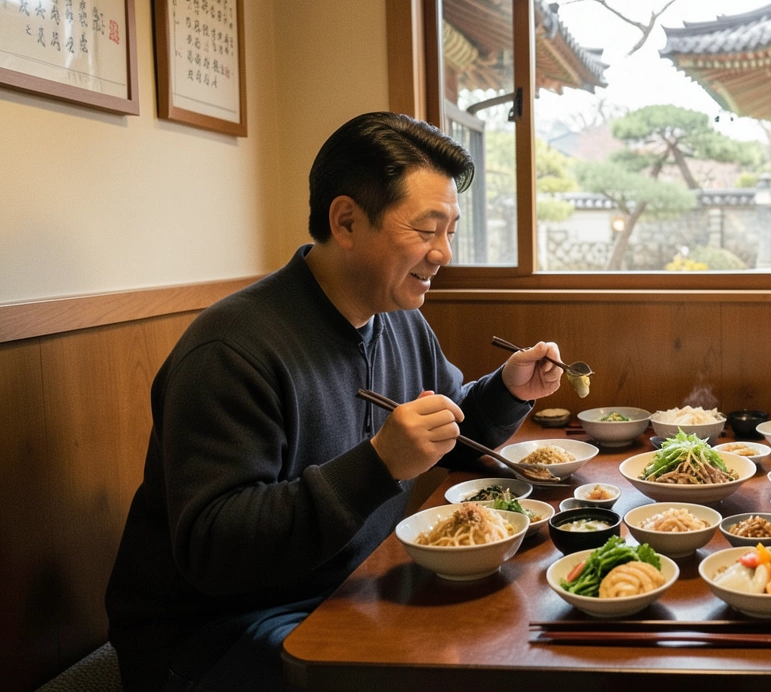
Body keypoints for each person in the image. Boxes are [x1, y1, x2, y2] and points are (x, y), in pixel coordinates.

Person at [106, 112, 565, 691]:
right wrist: (378, 464)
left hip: (348, 585)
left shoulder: (399, 322)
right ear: (346, 220)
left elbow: (446, 429)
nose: (443, 252)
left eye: (449, 229)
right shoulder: (232, 349)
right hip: (217, 631)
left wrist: (505, 389)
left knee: (515, 626)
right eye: (426, 230)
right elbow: (213, 549)